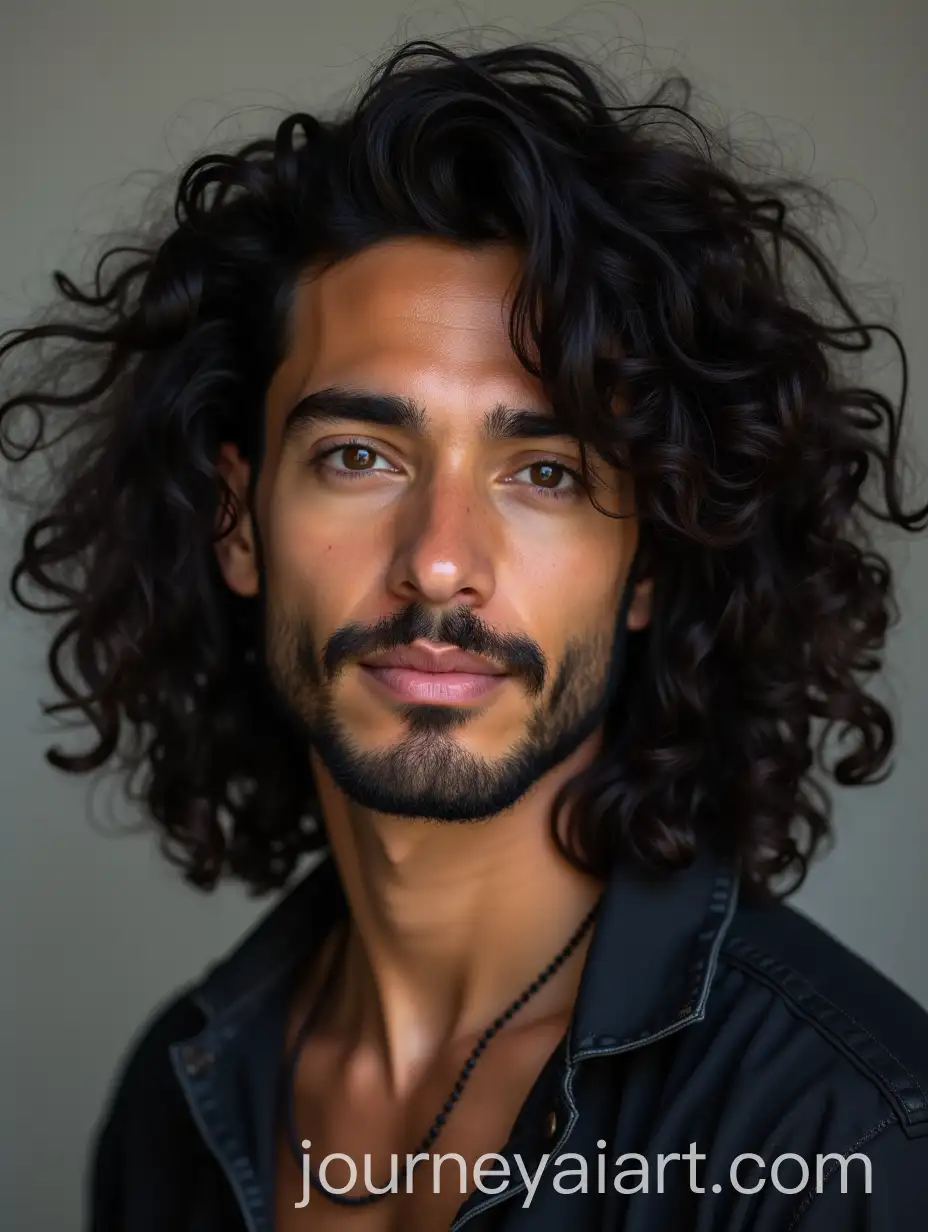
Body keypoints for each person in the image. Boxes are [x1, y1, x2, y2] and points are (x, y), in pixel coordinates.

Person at [2, 35, 927, 1232]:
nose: (440, 556)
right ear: (238, 522)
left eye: (543, 469)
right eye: (358, 455)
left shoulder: (837, 1134)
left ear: (648, 557)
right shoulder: (174, 1101)